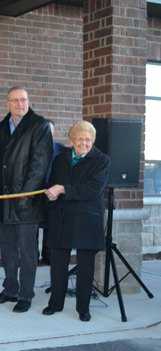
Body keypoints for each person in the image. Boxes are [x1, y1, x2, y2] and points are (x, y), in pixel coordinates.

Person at [0, 87, 52, 313]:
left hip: (27, 201)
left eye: (23, 100)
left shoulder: (39, 125)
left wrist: (25, 195)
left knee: (27, 251)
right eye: (15, 100)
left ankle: (25, 295)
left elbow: (39, 164)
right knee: (7, 248)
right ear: (7, 104)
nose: (19, 104)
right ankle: (10, 290)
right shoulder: (1, 127)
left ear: (28, 102)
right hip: (5, 200)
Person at [43, 121, 110, 322]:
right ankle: (55, 303)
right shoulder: (61, 159)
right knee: (57, 263)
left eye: (88, 139)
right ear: (71, 141)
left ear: (93, 141)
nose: (84, 143)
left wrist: (62, 189)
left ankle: (83, 308)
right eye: (80, 139)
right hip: (61, 216)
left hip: (87, 219)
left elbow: (93, 189)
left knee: (86, 266)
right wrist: (51, 194)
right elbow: (51, 182)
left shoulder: (102, 160)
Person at [39, 119, 65, 264]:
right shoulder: (32, 149)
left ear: (53, 132)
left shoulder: (62, 150)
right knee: (34, 229)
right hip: (36, 195)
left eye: (49, 130)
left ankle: (48, 257)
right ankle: (33, 257)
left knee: (51, 227)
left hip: (54, 195)